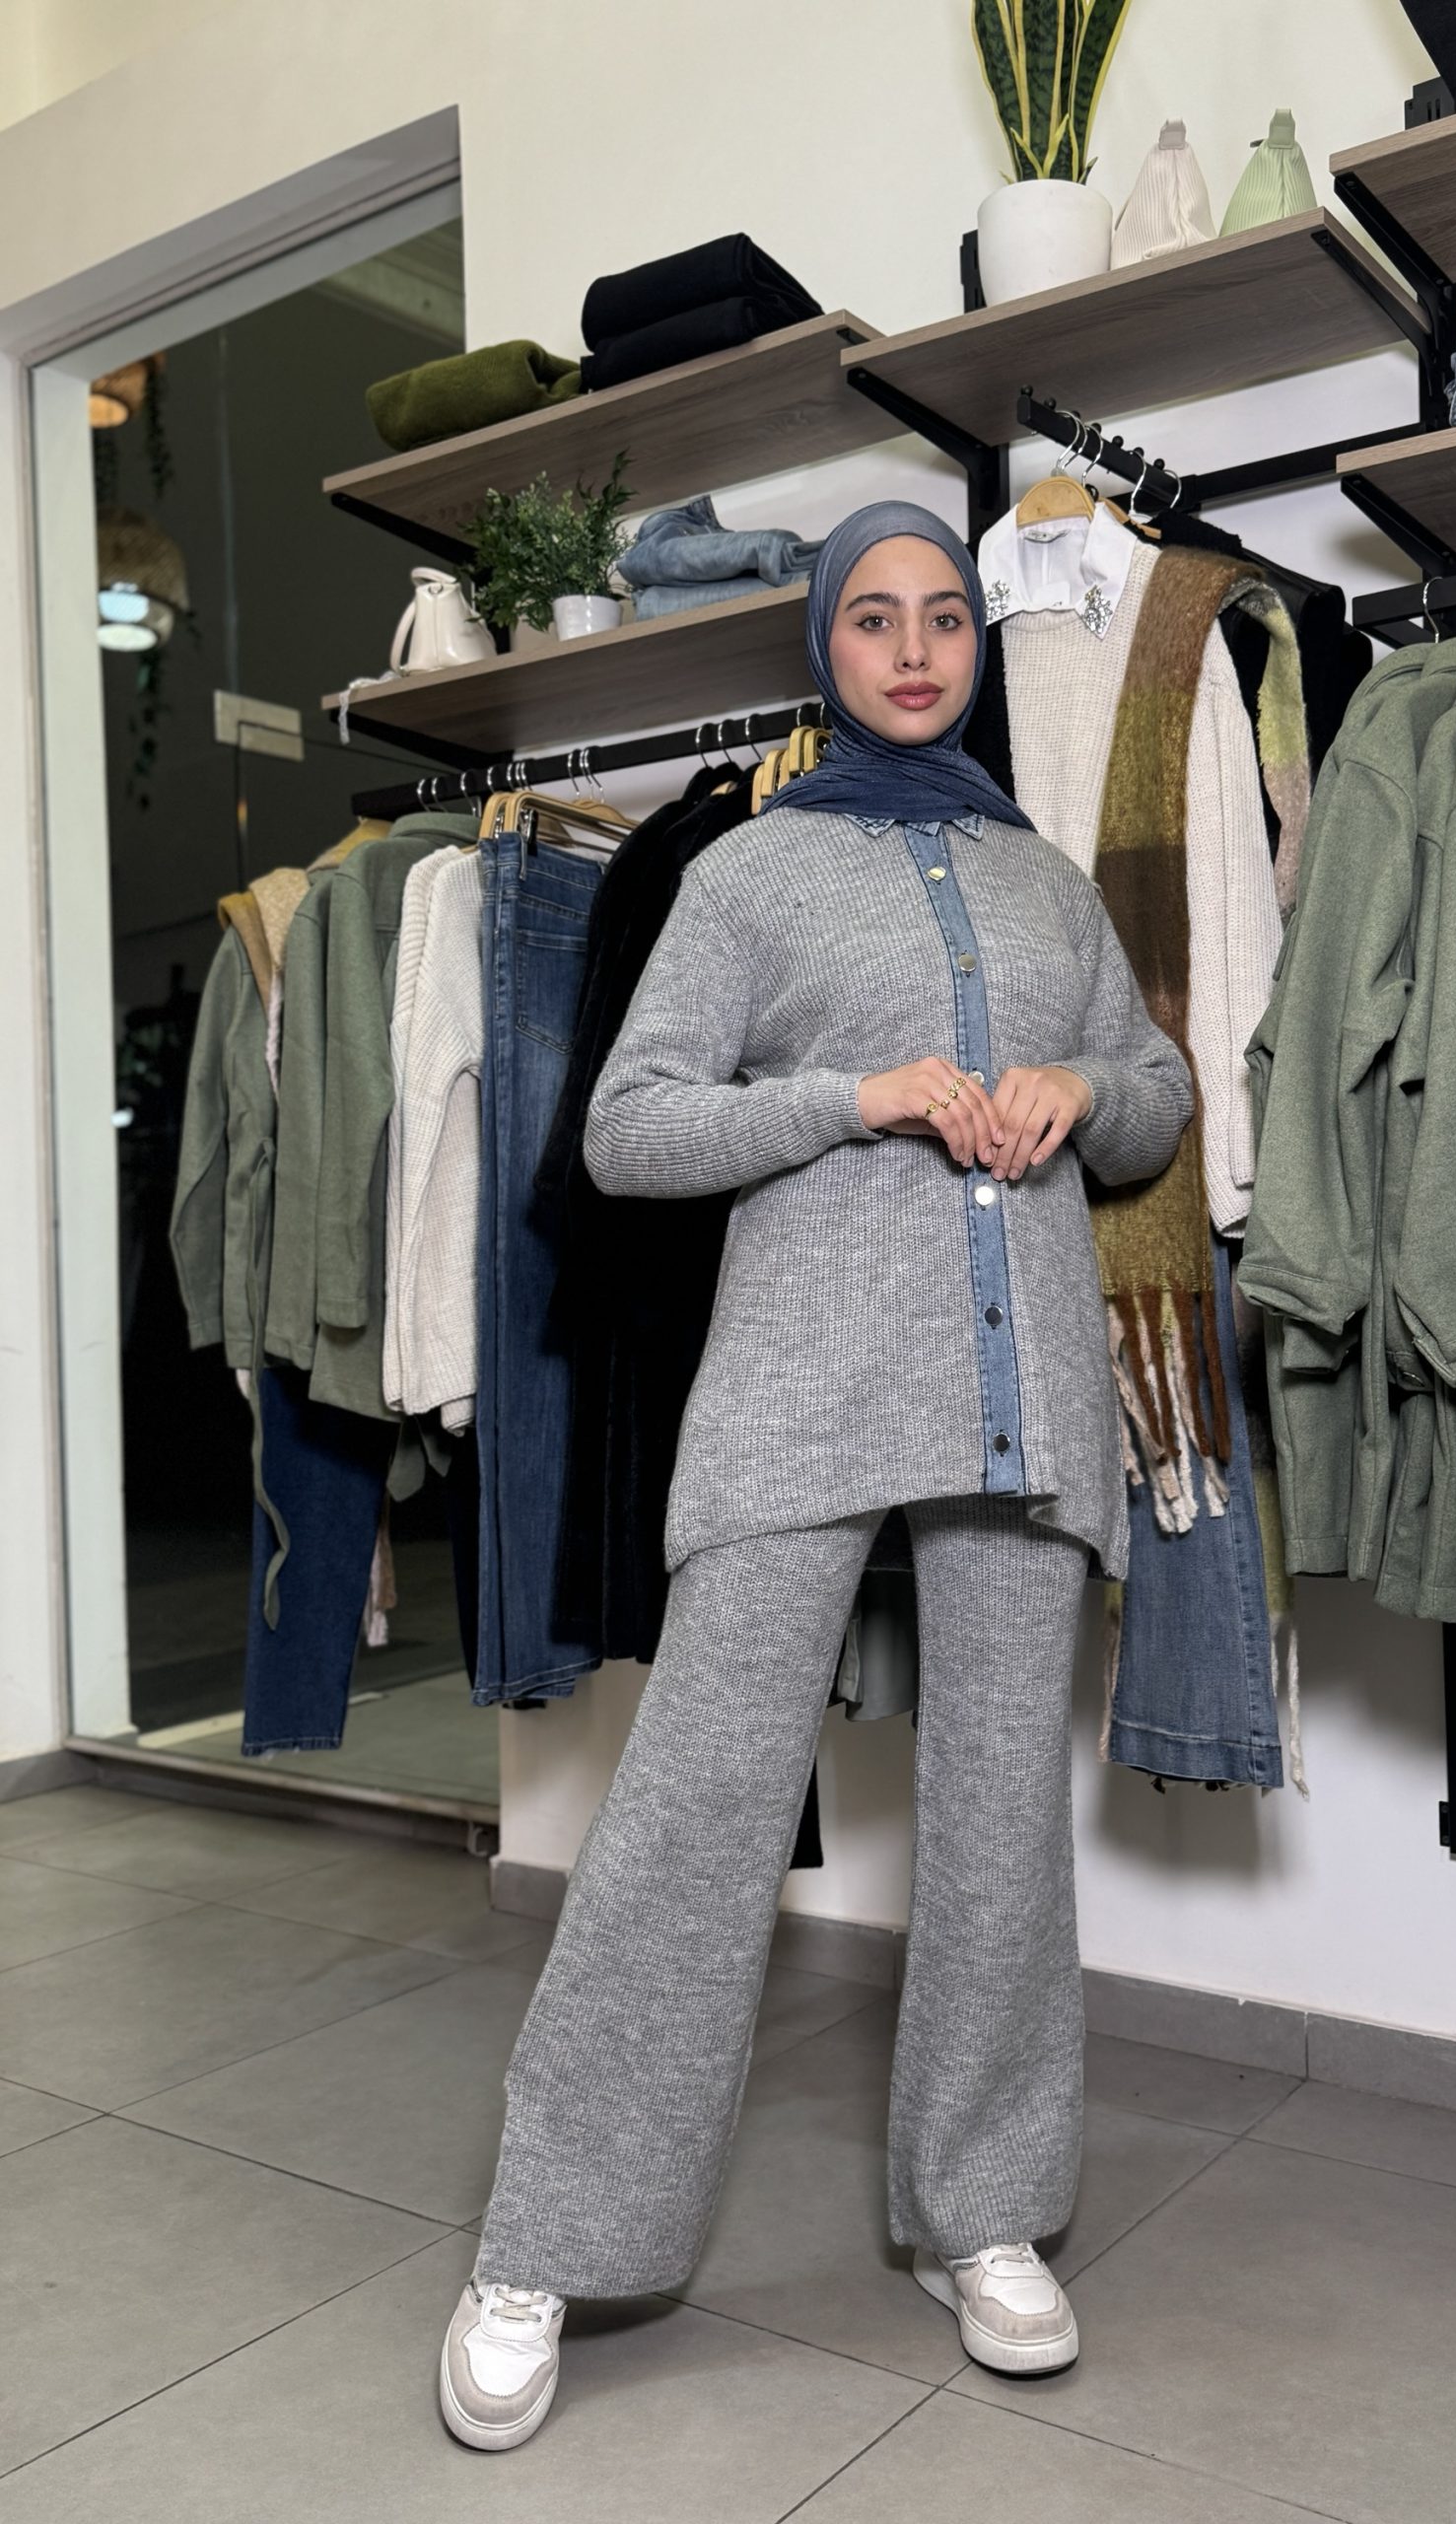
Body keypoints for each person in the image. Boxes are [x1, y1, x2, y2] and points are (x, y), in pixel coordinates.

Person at [439, 499, 1193, 2451]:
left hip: (1021, 1392)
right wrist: (852, 1098)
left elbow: (1159, 1096)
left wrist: (1081, 1089)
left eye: (944, 615)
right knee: (693, 1811)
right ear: (826, 649)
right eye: (875, 616)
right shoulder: (751, 872)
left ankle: (985, 2210)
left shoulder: (1043, 881)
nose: (916, 647)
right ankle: (546, 2236)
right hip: (802, 1383)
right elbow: (626, 1130)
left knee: (1002, 1817)